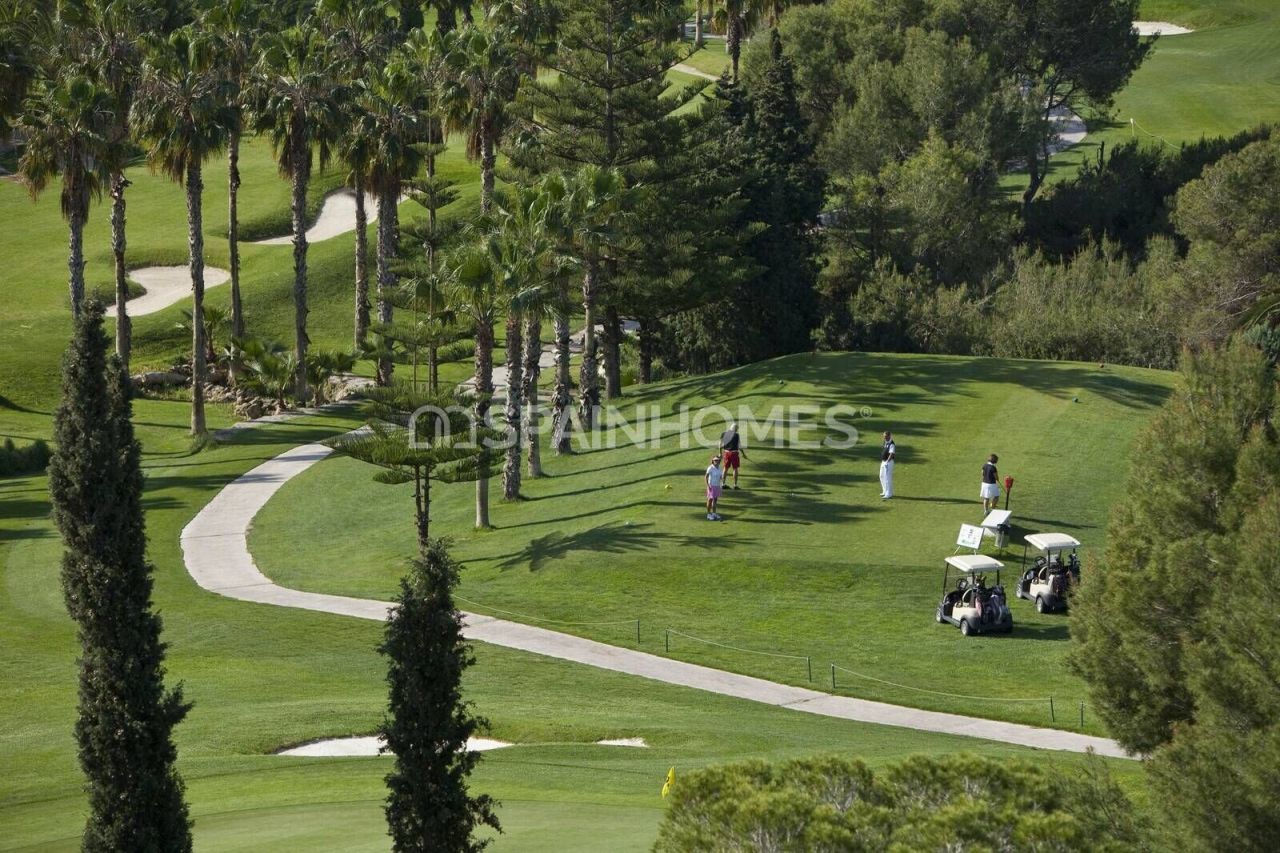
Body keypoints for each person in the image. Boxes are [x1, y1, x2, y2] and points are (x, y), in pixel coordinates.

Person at [719, 422, 748, 489]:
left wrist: (720, 453)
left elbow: (720, 445)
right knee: (735, 469)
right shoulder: (736, 435)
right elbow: (739, 446)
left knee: (725, 468)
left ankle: (723, 484)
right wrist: (743, 454)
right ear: (735, 428)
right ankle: (735, 485)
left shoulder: (724, 433)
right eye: (737, 429)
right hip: (734, 454)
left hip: (726, 453)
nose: (737, 430)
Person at [705, 455, 724, 521]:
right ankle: (708, 514)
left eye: (718, 460)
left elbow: (721, 477)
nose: (716, 461)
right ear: (712, 461)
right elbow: (706, 477)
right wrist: (708, 485)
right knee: (710, 500)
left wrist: (722, 483)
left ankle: (714, 513)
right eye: (715, 460)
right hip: (711, 486)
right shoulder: (710, 468)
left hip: (717, 486)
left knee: (715, 500)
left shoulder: (719, 468)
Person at [879, 431, 896, 500]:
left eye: (886, 436)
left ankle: (888, 494)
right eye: (884, 436)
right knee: (881, 476)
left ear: (889, 436)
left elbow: (891, 454)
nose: (884, 438)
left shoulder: (892, 444)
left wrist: (887, 462)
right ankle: (885, 491)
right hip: (883, 462)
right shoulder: (885, 442)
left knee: (887, 478)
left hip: (888, 462)